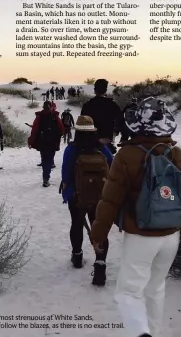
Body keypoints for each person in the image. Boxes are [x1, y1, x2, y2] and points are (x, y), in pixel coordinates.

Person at [91, 97, 181, 337]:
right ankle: (152, 332)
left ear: (137, 126)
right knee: (156, 288)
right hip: (171, 236)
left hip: (140, 235)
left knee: (127, 292)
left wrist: (98, 235)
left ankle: (140, 333)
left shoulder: (126, 156)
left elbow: (110, 200)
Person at [61, 116, 113, 284]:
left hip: (76, 196)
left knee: (76, 224)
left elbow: (66, 173)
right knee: (98, 226)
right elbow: (111, 167)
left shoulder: (72, 149)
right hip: (99, 196)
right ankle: (100, 262)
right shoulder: (102, 148)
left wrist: (66, 190)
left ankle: (77, 257)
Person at [28, 100, 64, 187]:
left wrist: (30, 141)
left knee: (45, 160)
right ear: (51, 106)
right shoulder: (55, 117)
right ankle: (46, 177)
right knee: (49, 159)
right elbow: (61, 130)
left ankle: (45, 178)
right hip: (53, 142)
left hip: (42, 142)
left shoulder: (39, 117)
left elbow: (34, 130)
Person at [82, 79, 127, 146]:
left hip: (89, 141)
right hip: (106, 141)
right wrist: (124, 137)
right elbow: (121, 121)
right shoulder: (112, 104)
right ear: (105, 90)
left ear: (94, 90)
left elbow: (81, 123)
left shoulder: (87, 105)